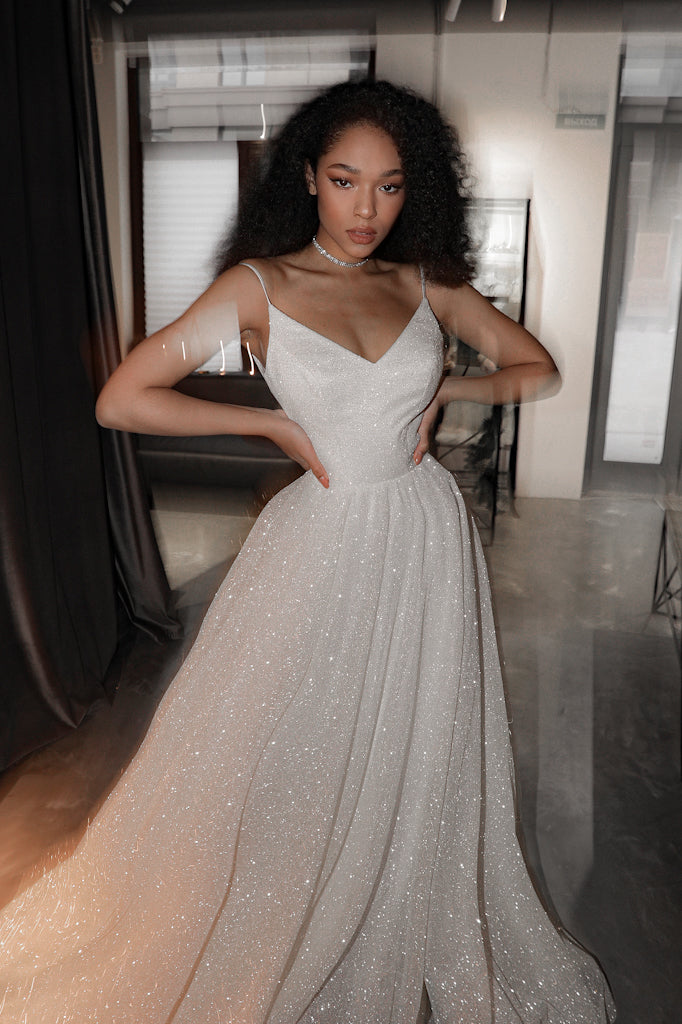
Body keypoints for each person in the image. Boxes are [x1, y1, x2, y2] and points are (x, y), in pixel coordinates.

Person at [0, 79, 614, 1023]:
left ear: (414, 189)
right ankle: (283, 902)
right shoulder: (258, 286)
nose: (367, 208)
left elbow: (538, 367)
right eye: (344, 180)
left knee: (413, 732)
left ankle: (382, 886)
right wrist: (270, 427)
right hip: (319, 541)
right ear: (308, 178)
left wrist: (451, 390)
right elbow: (123, 398)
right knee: (277, 737)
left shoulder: (424, 283)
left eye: (390, 185)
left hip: (423, 536)